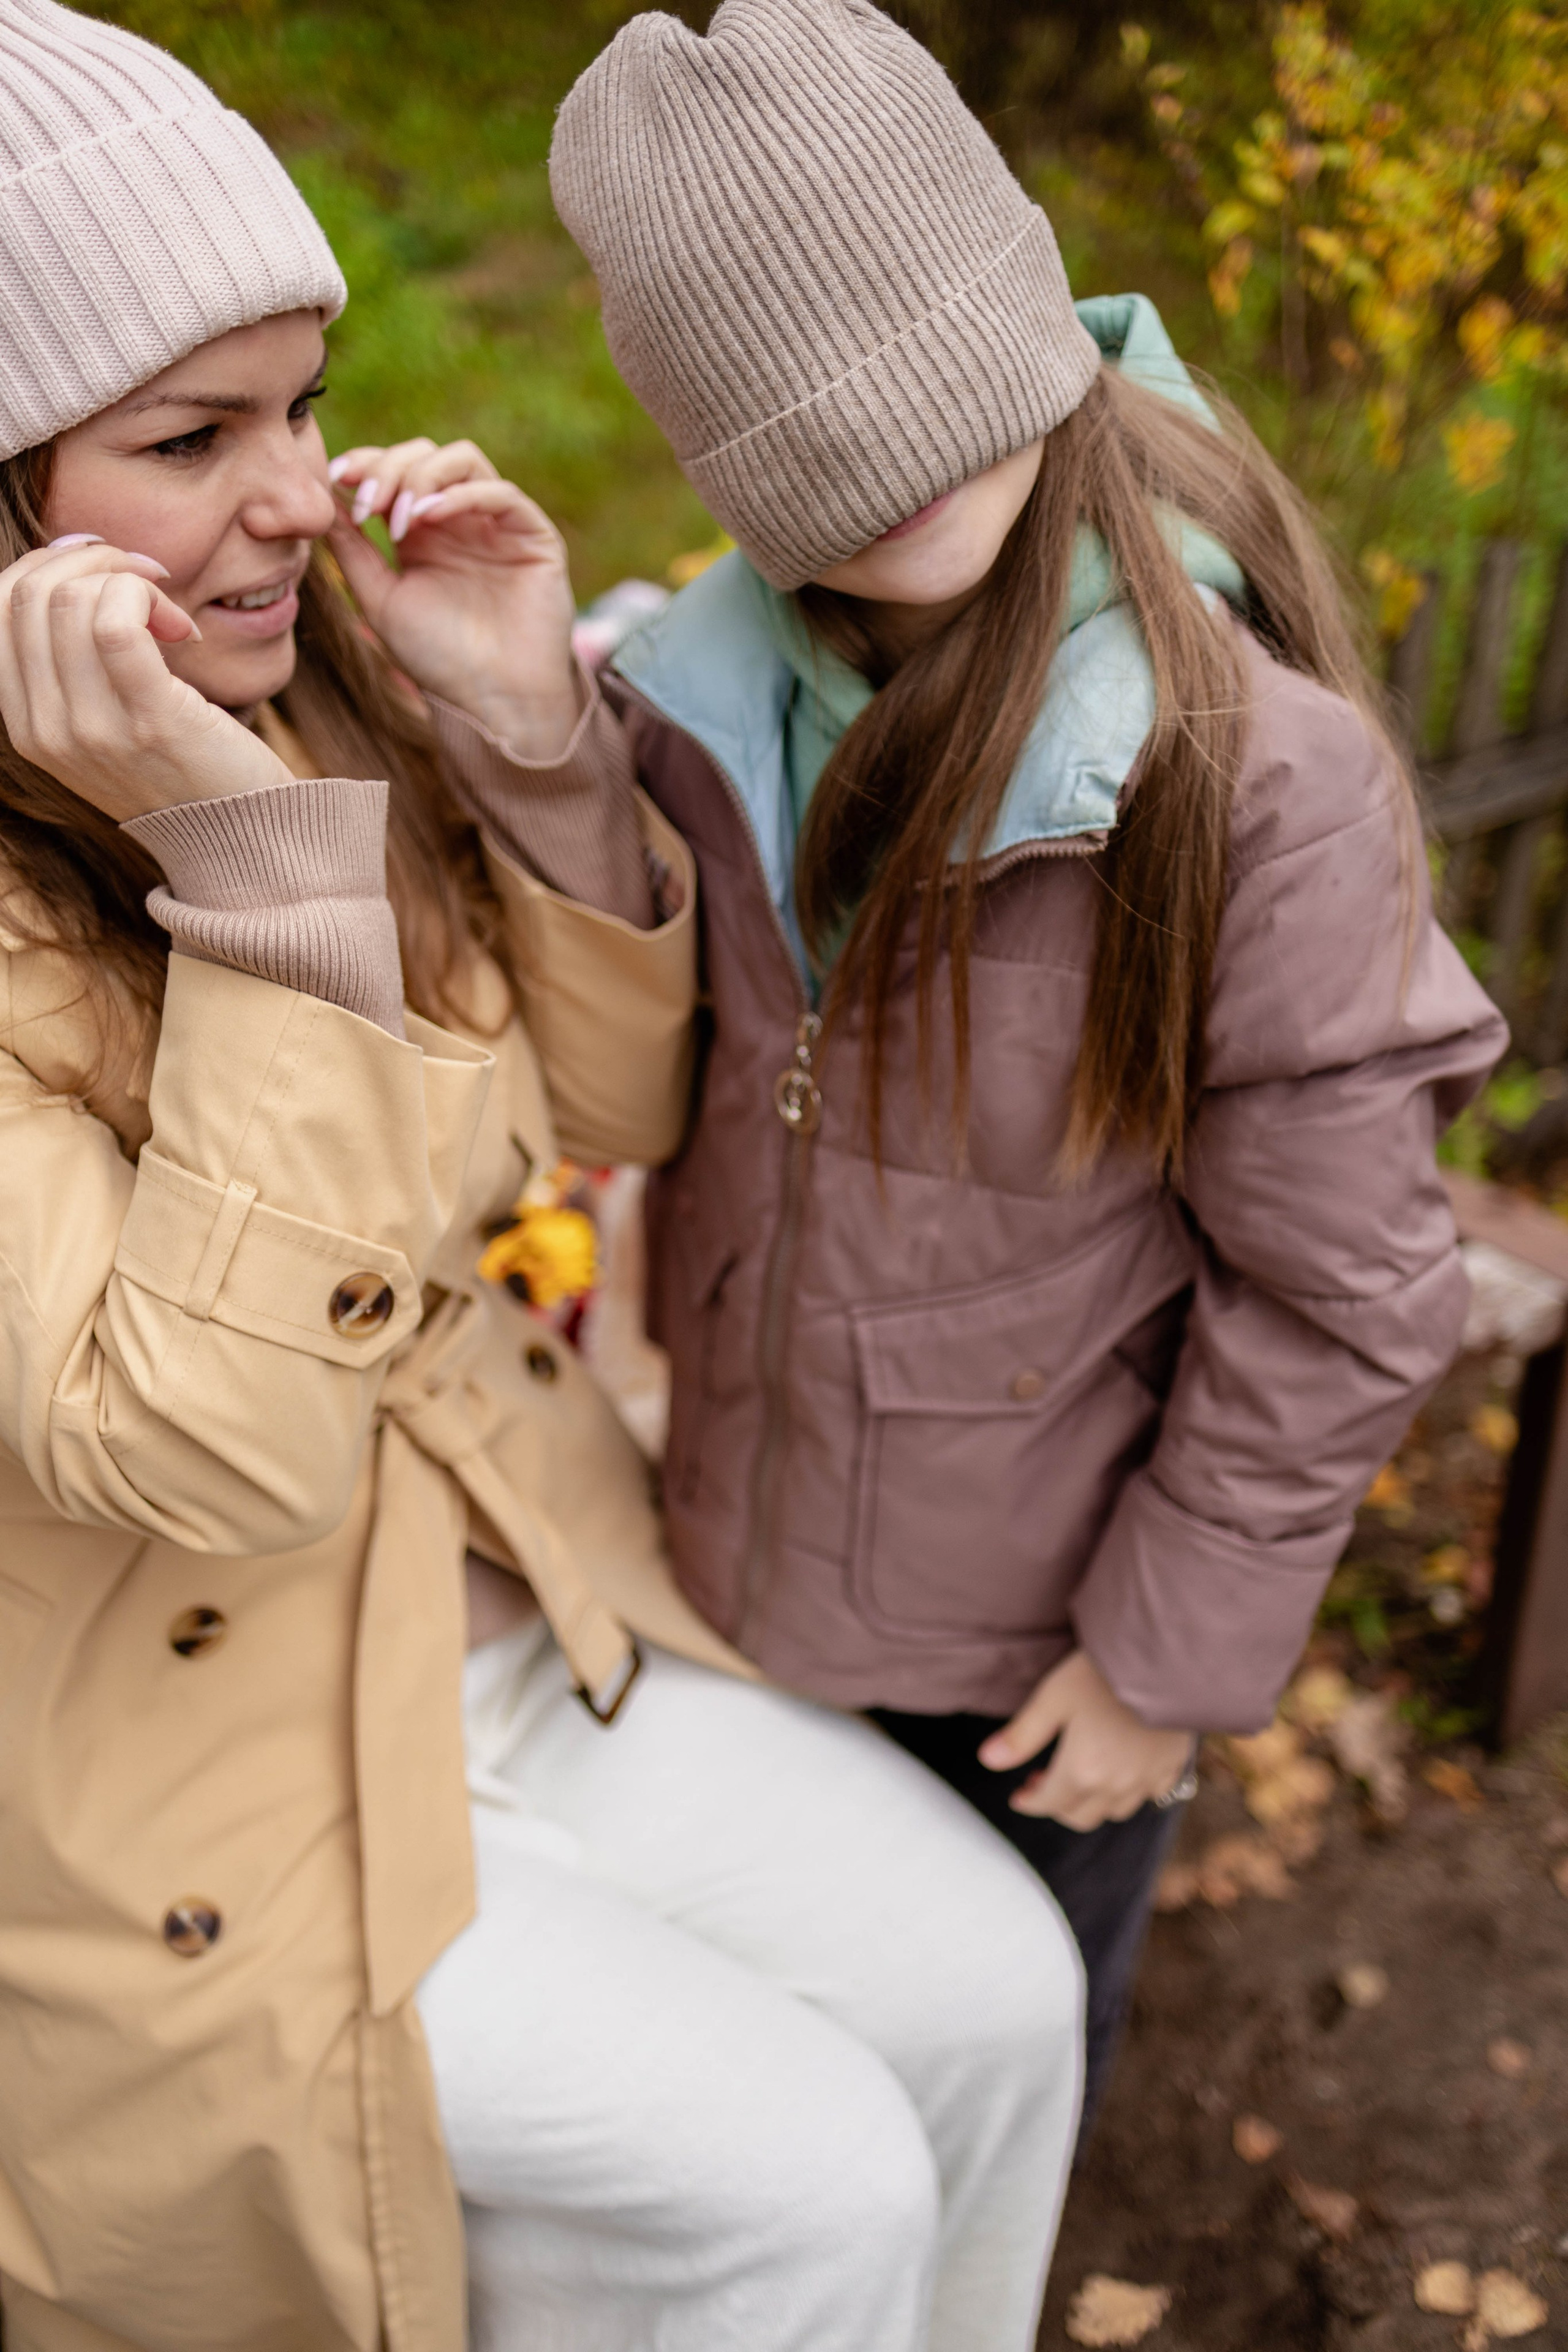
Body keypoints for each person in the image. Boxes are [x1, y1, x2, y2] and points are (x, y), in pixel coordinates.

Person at [0, 6, 1087, 2348]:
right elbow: (208, 1443)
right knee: (801, 2199)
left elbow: (603, 1117)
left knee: (999, 1999)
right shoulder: (214, 792)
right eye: (191, 439)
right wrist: (262, 895)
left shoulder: (293, 694)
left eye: (299, 402)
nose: (295, 492)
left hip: (507, 1599)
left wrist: (524, 740)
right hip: (183, 1783)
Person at [548, 0, 1510, 2129]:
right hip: (761, 1537)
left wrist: (1158, 1666)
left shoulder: (1240, 776)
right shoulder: (721, 698)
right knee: (791, 2078)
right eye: (817, 442)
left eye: (943, 400)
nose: (901, 466)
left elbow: (1347, 1286)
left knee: (980, 2078)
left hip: (1037, 1652)